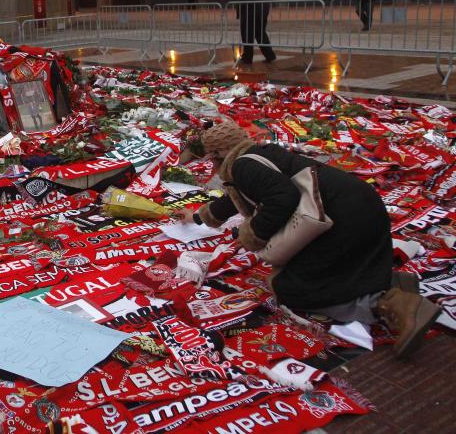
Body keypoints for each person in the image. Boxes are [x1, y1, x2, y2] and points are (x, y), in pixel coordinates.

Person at [179, 121, 441, 359]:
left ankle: (391, 303)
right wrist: (199, 218)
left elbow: (282, 198)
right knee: (329, 266)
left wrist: (254, 233)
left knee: (295, 289)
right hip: (358, 205)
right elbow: (236, 198)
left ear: (218, 154)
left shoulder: (242, 166)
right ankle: (392, 282)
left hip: (338, 219)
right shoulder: (258, 156)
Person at [237, 0, 276, 65]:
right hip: (262, 12)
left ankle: (247, 58)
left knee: (247, 35)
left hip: (250, 13)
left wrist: (240, 9)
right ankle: (270, 55)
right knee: (260, 33)